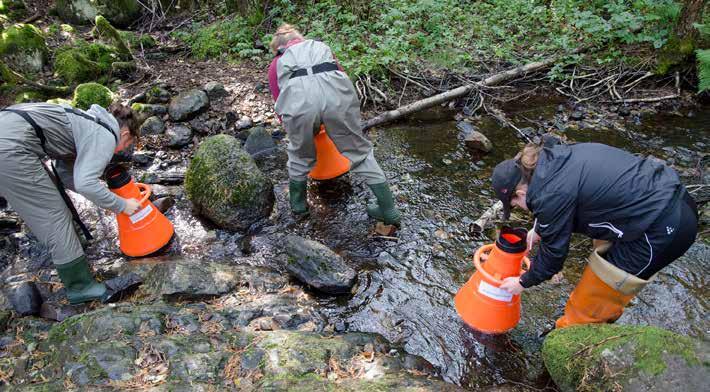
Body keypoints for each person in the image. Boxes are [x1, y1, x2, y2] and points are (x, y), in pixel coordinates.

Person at [490, 140, 698, 328]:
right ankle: (604, 319)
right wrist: (542, 229)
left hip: (662, 228)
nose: (520, 208)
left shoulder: (550, 195)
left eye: (515, 204)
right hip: (671, 198)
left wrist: (522, 282)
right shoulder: (557, 160)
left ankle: (574, 338)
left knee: (596, 296)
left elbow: (554, 257)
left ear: (521, 193)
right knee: (603, 272)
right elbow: (577, 198)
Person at [0, 102, 141, 304]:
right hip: (10, 149)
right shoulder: (106, 134)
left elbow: (67, 176)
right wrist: (122, 205)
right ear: (126, 133)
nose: (124, 149)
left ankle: (73, 249)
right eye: (129, 144)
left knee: (53, 191)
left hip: (8, 134)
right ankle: (81, 287)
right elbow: (85, 183)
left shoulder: (87, 121)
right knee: (55, 216)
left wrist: (107, 196)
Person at [267, 24, 401, 226]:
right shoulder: (321, 48)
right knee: (361, 153)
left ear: (279, 47)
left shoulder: (277, 62)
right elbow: (340, 75)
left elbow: (280, 102)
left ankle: (299, 210)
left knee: (299, 156)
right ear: (300, 39)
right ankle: (389, 211)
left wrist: (296, 130)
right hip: (338, 100)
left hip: (301, 108)